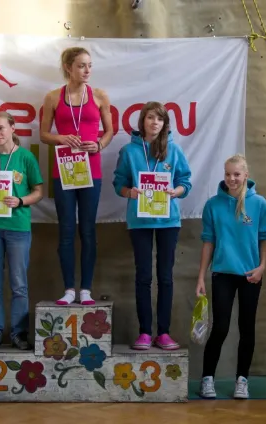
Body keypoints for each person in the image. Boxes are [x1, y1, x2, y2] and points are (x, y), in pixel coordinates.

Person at [113, 101, 192, 350]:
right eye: (150, 118)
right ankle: (145, 332)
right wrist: (129, 192)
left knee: (165, 277)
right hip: (140, 221)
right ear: (142, 121)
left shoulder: (174, 149)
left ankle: (164, 332)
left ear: (165, 123)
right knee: (144, 276)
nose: (154, 122)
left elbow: (185, 181)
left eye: (159, 118)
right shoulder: (129, 151)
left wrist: (175, 191)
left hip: (168, 220)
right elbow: (119, 183)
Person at [40, 47, 114, 306]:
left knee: (88, 229)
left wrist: (99, 144)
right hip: (65, 170)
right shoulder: (52, 97)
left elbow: (110, 131)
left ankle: (86, 290)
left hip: (91, 170)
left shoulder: (99, 96)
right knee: (67, 229)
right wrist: (61, 138)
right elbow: (43, 135)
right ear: (68, 67)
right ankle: (69, 288)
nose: (87, 70)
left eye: (90, 65)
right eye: (82, 65)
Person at [195, 154, 266, 400]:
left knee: (247, 328)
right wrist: (201, 277)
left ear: (246, 175)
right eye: (228, 174)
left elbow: (264, 238)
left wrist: (262, 267)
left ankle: (242, 380)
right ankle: (207, 379)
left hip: (251, 275)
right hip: (223, 275)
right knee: (220, 328)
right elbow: (208, 242)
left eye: (237, 174)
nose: (232, 178)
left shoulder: (259, 204)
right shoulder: (213, 205)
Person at [0, 111, 44, 350]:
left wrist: (21, 201)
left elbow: (38, 192)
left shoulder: (26, 158)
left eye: (1, 128)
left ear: (12, 128)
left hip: (17, 227)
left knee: (19, 284)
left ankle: (19, 332)